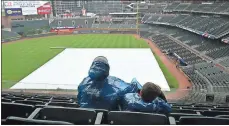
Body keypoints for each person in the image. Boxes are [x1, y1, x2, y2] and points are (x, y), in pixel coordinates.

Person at [77, 56, 141, 110]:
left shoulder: (84, 83)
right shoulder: (115, 85)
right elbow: (132, 89)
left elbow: (79, 100)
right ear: (107, 69)